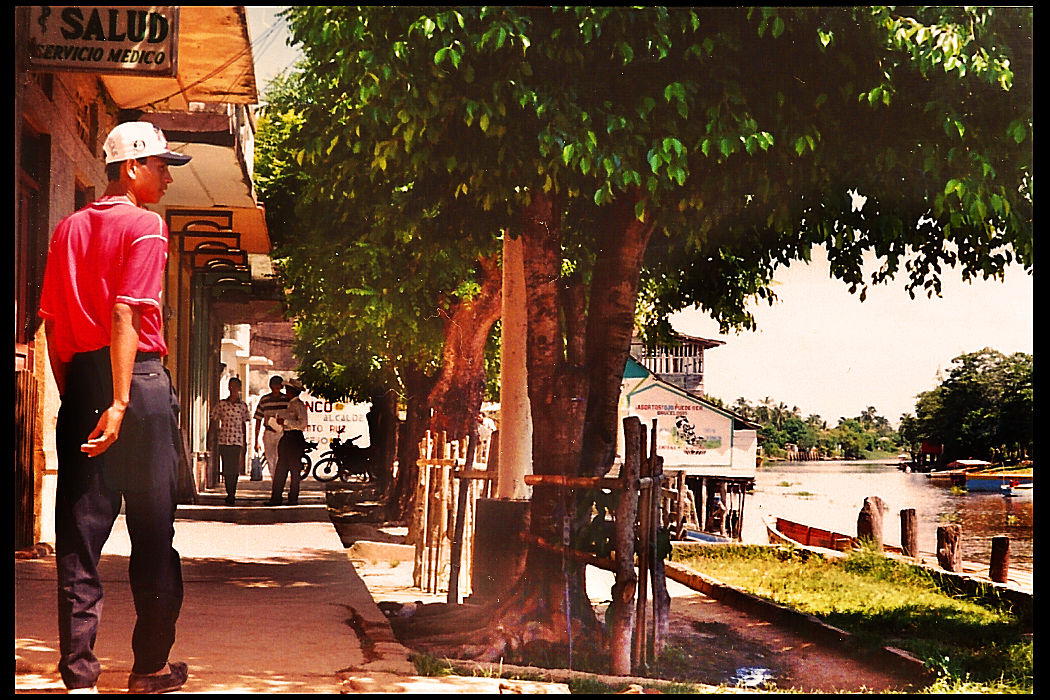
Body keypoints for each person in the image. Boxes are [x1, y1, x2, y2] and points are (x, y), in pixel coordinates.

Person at [38, 121, 191, 694]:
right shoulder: (147, 226)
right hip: (140, 391)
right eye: (160, 165)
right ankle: (149, 669)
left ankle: (79, 680)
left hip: (81, 386)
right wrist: (122, 401)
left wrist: (83, 393)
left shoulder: (67, 229)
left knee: (78, 542)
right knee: (154, 537)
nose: (167, 177)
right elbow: (127, 314)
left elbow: (53, 326)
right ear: (131, 167)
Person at [266, 378, 309, 506]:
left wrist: (285, 422)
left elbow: (302, 424)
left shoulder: (298, 405)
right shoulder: (290, 404)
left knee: (295, 469)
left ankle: (293, 497)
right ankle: (276, 497)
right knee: (281, 468)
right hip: (286, 436)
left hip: (295, 438)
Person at [209, 376, 251, 505]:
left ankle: (233, 492)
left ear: (239, 389)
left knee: (234, 468)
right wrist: (210, 437)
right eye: (231, 387)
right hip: (224, 440)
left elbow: (244, 423)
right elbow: (214, 419)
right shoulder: (222, 404)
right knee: (226, 467)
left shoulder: (242, 406)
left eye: (236, 387)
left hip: (237, 440)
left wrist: (245, 442)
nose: (233, 389)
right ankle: (229, 492)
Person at [252, 375, 287, 478]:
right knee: (270, 459)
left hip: (281, 432)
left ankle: (279, 481)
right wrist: (256, 440)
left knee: (279, 458)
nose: (275, 389)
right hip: (269, 432)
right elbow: (258, 419)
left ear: (281, 387)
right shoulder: (264, 400)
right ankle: (274, 482)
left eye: (278, 387)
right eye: (273, 387)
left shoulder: (286, 401)